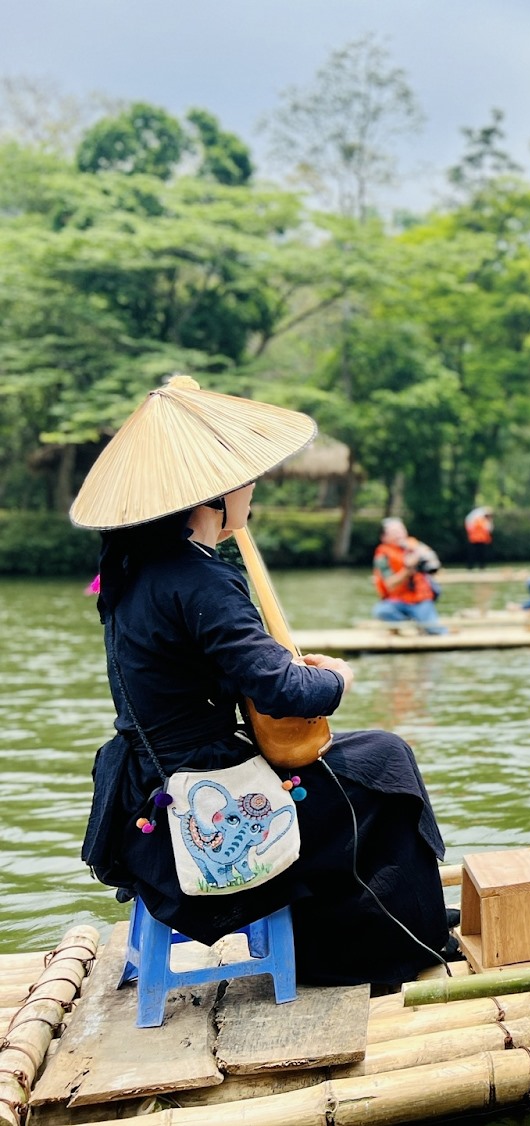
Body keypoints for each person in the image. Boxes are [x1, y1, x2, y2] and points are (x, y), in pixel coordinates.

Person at [69, 376, 451, 987]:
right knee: (386, 762)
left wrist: (276, 665)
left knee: (365, 764)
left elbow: (214, 668)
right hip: (204, 796)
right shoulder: (203, 580)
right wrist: (336, 678)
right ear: (213, 496)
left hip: (144, 786)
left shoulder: (130, 572)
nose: (253, 488)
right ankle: (389, 944)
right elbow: (286, 695)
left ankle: (394, 922)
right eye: (243, 481)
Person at [373, 518, 447, 635]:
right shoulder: (382, 555)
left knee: (435, 631)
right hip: (397, 601)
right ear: (384, 537)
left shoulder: (416, 546)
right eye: (393, 532)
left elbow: (434, 566)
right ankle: (409, 624)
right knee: (382, 611)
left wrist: (426, 560)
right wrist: (408, 569)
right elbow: (390, 585)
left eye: (401, 530)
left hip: (420, 599)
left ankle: (426, 625)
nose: (399, 534)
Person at [463, 506, 494, 570]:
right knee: (477, 554)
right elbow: (489, 529)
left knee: (476, 554)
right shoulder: (481, 520)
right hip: (478, 539)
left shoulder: (475, 519)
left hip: (477, 539)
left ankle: (474, 566)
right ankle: (478, 566)